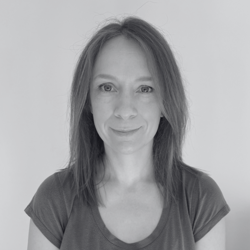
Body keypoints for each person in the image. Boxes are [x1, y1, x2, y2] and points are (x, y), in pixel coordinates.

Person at [25, 16, 230, 250]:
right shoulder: (54, 199)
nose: (124, 110)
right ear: (88, 101)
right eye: (107, 87)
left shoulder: (201, 198)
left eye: (145, 89)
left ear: (166, 102)